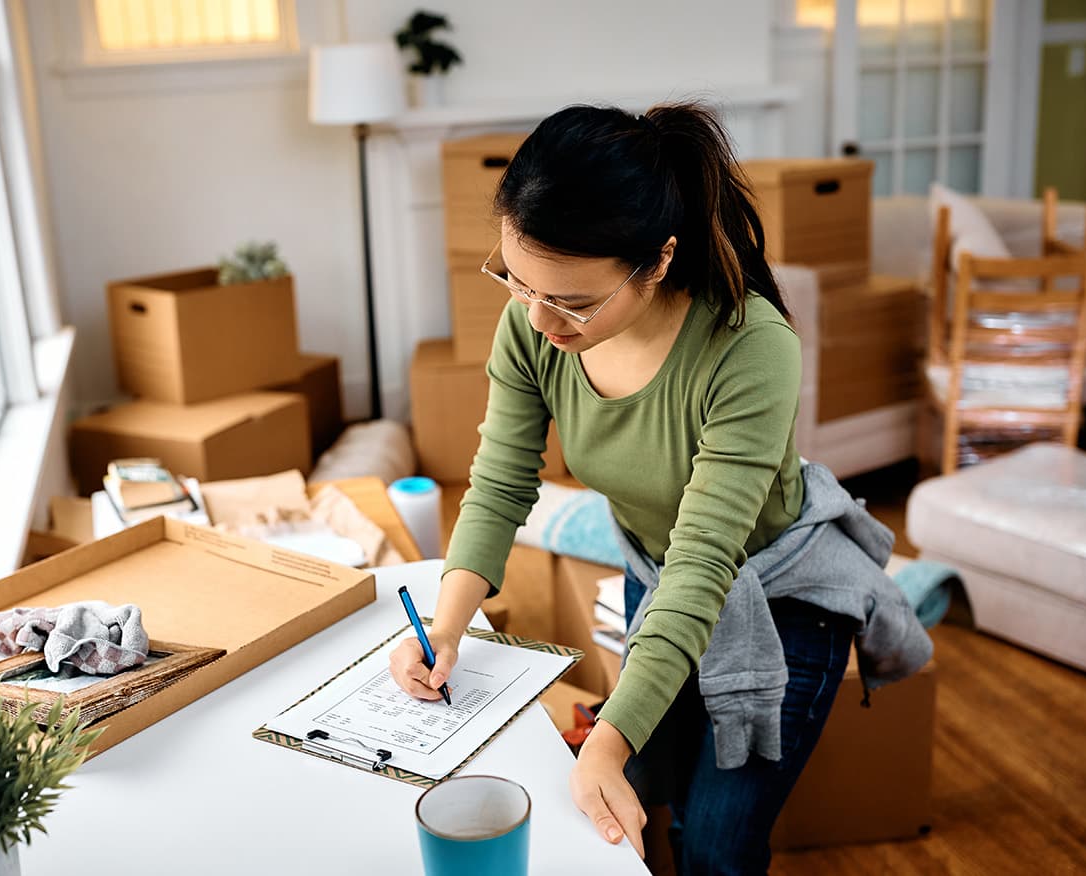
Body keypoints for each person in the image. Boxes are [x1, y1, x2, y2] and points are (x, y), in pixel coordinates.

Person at [388, 101, 931, 875]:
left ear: (657, 261)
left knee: (714, 843)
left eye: (571, 300)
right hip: (656, 573)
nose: (538, 319)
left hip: (777, 599)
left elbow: (705, 559)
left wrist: (604, 741)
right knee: (649, 782)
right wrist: (445, 627)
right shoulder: (534, 327)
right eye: (515, 280)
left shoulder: (749, 348)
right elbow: (500, 480)